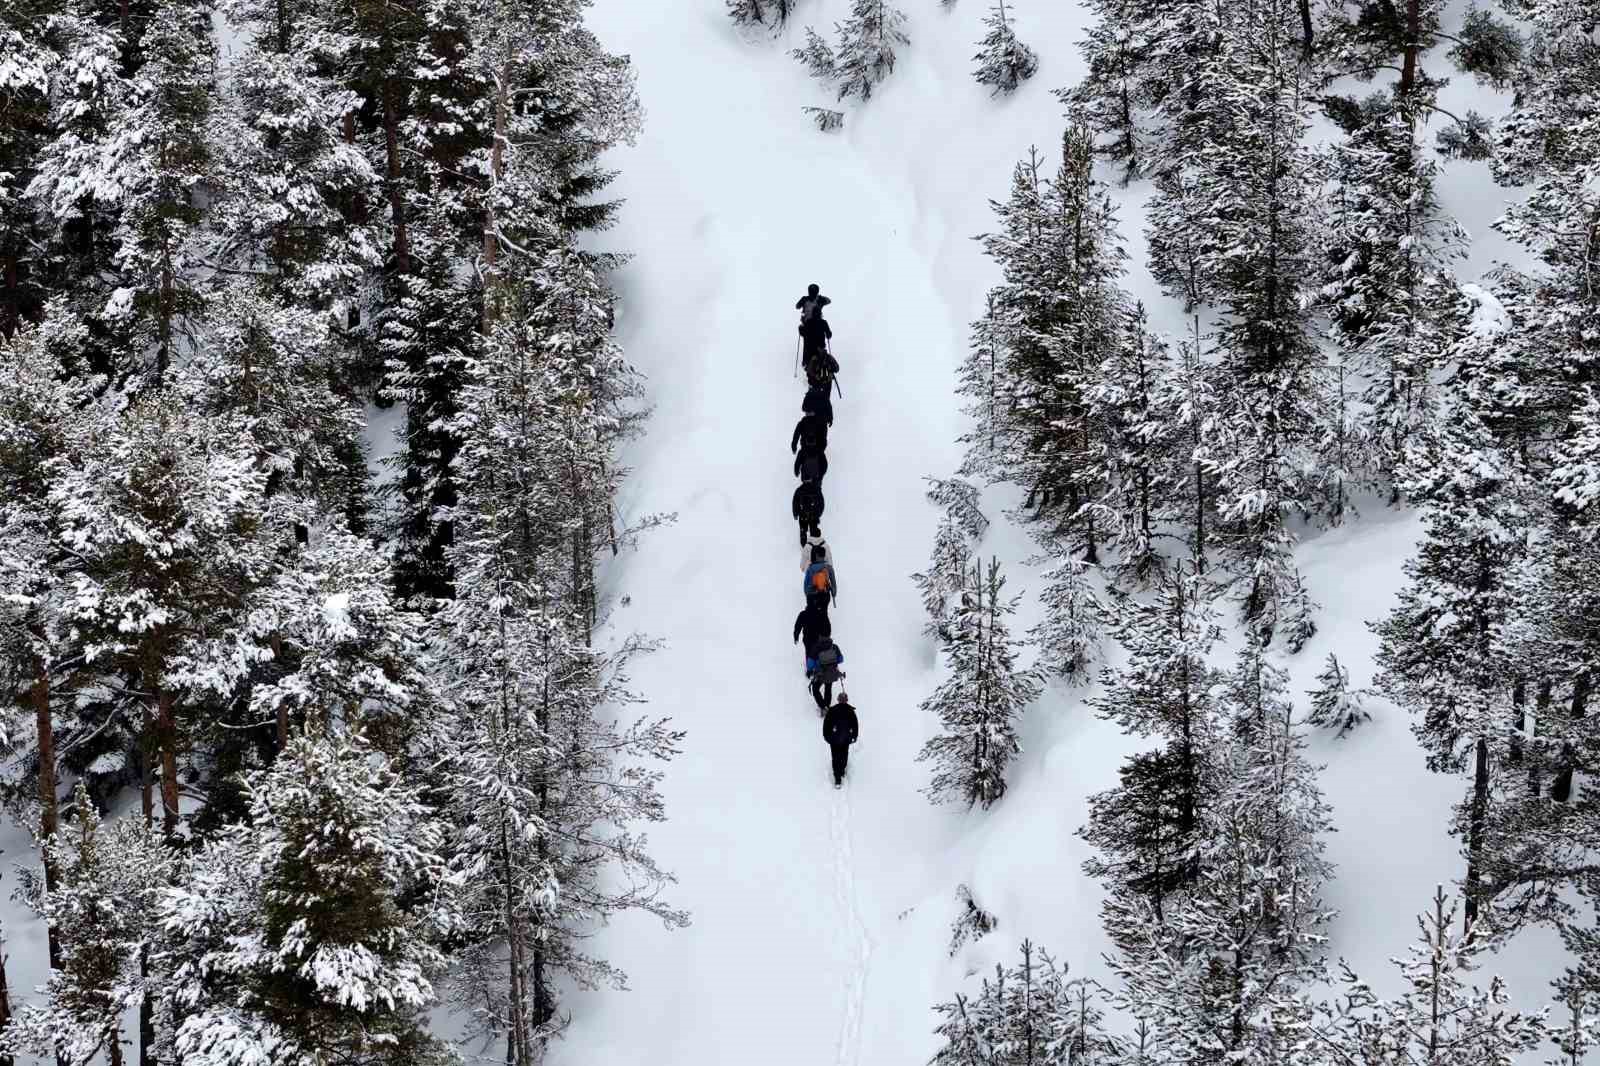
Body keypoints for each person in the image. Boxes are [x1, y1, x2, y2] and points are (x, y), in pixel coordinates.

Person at [822, 691, 859, 787]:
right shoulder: (850, 711)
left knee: (836, 757)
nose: (842, 701)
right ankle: (840, 773)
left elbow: (826, 725)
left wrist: (826, 736)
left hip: (835, 739)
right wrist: (854, 736)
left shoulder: (832, 710)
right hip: (844, 739)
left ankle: (838, 776)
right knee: (843, 756)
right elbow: (855, 725)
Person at [808, 638, 845, 712]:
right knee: (828, 688)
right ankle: (827, 705)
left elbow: (810, 664)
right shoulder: (834, 647)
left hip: (820, 673)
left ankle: (822, 706)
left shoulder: (816, 648)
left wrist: (811, 670)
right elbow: (841, 659)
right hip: (832, 672)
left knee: (815, 689)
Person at [794, 601, 832, 669]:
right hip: (819, 638)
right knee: (819, 652)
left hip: (807, 639)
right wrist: (827, 636)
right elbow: (828, 625)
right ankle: (820, 668)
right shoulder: (821, 613)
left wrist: (796, 636)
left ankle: (810, 670)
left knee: (809, 653)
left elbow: (798, 626)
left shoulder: (803, 614)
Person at [793, 479, 824, 546]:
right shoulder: (816, 489)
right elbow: (821, 503)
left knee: (803, 531)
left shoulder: (799, 490)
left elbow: (795, 502)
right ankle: (813, 547)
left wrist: (795, 514)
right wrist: (819, 513)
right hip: (813, 515)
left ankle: (804, 547)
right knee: (813, 531)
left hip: (802, 515)